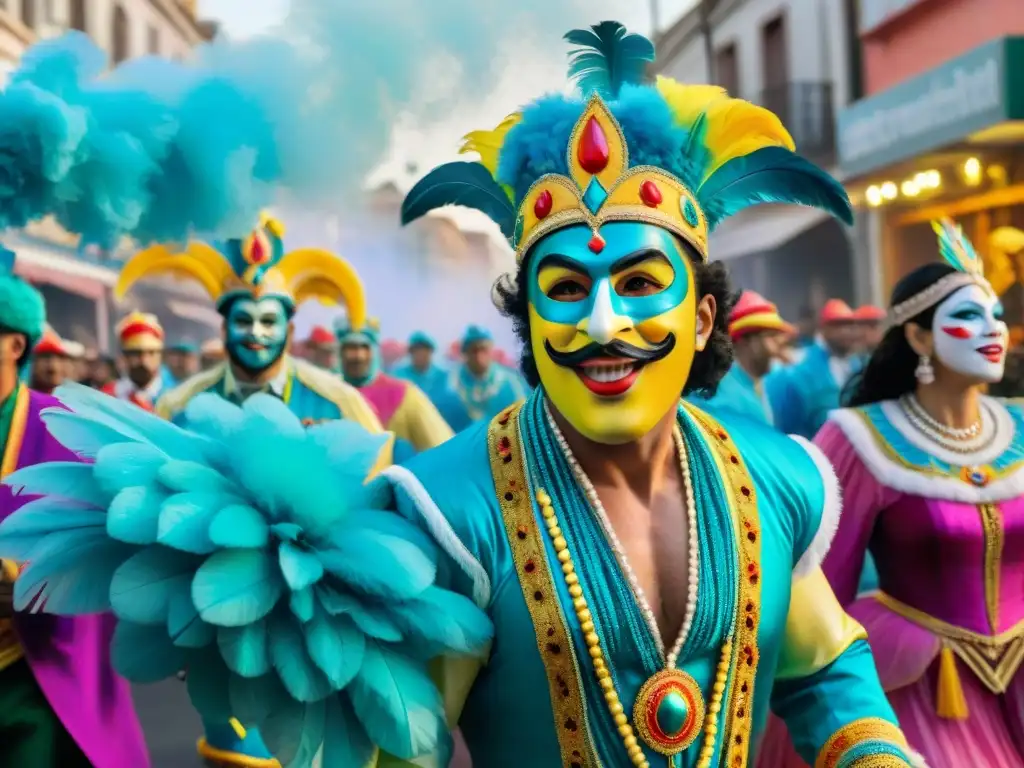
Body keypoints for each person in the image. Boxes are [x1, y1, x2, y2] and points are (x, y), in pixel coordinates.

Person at [1, 21, 918, 768]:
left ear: (706, 313)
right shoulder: (449, 513)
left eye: (640, 283)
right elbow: (402, 747)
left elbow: (820, 664)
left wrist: (875, 753)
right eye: (563, 289)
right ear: (527, 319)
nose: (601, 323)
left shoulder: (775, 477)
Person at [117, 212, 385, 767]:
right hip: (217, 621)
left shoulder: (340, 405)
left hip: (319, 622)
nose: (258, 333)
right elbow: (153, 519)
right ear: (223, 324)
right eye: (245, 319)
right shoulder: (179, 407)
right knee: (233, 754)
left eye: (270, 320)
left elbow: (379, 515)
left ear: (288, 325)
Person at [759, 219, 1023, 767]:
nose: (992, 329)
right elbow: (819, 590)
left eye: (996, 315)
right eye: (968, 316)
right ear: (919, 337)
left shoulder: (1020, 425)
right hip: (926, 688)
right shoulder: (860, 439)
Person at [0, 247, 148, 768]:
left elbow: (112, 545)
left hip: (30, 674)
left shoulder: (65, 429)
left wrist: (29, 579)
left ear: (14, 344)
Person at [337, 317, 453, 457]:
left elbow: (445, 452)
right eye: (350, 348)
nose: (358, 356)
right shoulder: (326, 394)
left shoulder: (406, 394)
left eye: (364, 347)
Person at [690, 291, 793, 424]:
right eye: (771, 336)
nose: (779, 347)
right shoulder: (721, 398)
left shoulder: (759, 385)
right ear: (743, 340)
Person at [767, 298, 862, 438]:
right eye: (839, 325)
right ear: (825, 328)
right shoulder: (801, 370)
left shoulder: (857, 364)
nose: (847, 332)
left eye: (850, 325)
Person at [446, 324, 528, 430]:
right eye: (474, 350)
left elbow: (520, 419)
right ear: (465, 353)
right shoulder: (452, 385)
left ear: (491, 350)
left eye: (483, 349)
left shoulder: (508, 383)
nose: (479, 356)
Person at [101, 311, 166, 411]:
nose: (144, 360)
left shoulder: (174, 398)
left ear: (160, 356)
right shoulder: (108, 397)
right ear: (124, 357)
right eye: (136, 353)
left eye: (151, 353)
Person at [392, 330, 451, 408]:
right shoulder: (398, 375)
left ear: (431, 352)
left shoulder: (443, 376)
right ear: (411, 353)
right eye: (417, 351)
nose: (421, 354)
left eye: (425, 350)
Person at [29, 327, 70, 395]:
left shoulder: (71, 401)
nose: (54, 367)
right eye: (45, 358)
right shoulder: (20, 402)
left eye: (60, 358)